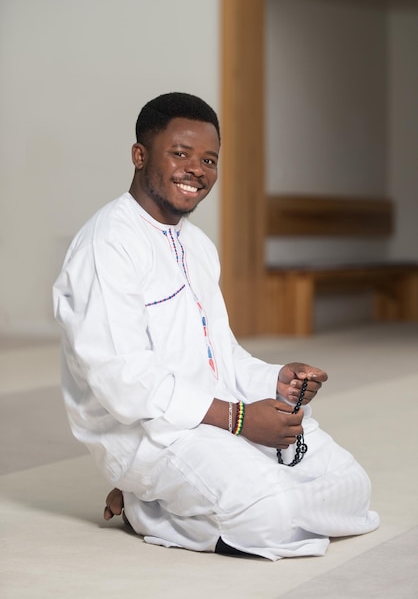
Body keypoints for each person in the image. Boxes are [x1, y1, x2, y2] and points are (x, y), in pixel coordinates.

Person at [53, 92, 379, 560]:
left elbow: (221, 357)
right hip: (148, 437)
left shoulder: (200, 247)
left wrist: (277, 380)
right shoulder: (107, 244)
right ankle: (145, 504)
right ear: (140, 155)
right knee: (268, 514)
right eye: (180, 154)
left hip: (218, 416)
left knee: (353, 488)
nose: (197, 170)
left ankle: (222, 498)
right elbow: (123, 382)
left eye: (209, 159)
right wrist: (241, 419)